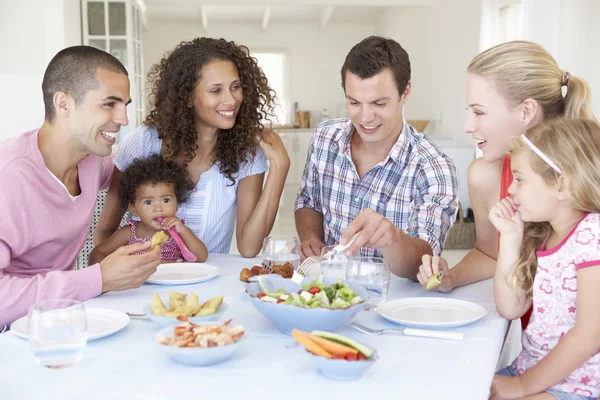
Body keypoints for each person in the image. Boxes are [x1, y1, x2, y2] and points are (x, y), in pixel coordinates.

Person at [416, 41, 596, 328]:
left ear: (526, 111)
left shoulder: (587, 180)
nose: (467, 125)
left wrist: (527, 378)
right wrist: (451, 278)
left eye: (479, 111)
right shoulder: (484, 175)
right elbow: (489, 252)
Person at [0, 46, 162, 327]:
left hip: (63, 318)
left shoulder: (91, 161)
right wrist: (100, 278)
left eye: (125, 104)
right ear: (63, 103)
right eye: (109, 104)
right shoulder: (8, 177)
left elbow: (134, 170)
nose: (123, 119)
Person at [95, 37, 290, 257]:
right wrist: (110, 280)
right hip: (144, 284)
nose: (231, 100)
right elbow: (105, 229)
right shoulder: (143, 143)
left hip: (211, 283)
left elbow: (249, 247)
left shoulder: (247, 155)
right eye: (216, 90)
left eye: (235, 87)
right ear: (188, 97)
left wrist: (280, 167)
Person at [295, 36, 459, 278]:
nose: (365, 117)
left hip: (392, 301)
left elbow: (424, 262)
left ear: (405, 92)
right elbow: (309, 201)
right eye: (354, 102)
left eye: (379, 103)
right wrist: (311, 238)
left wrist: (392, 238)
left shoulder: (433, 167)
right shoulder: (324, 138)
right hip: (328, 296)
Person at [489, 118, 600, 400]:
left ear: (561, 185)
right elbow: (510, 308)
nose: (511, 190)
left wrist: (523, 386)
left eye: (521, 179)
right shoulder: (544, 233)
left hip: (576, 387)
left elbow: (590, 333)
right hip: (533, 371)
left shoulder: (592, 234)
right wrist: (511, 237)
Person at [90, 155, 208, 264]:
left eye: (166, 200)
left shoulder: (179, 231)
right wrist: (102, 277)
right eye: (148, 202)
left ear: (177, 204)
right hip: (139, 286)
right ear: (134, 209)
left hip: (174, 286)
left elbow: (201, 257)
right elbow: (98, 252)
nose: (158, 208)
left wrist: (183, 230)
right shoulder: (130, 233)